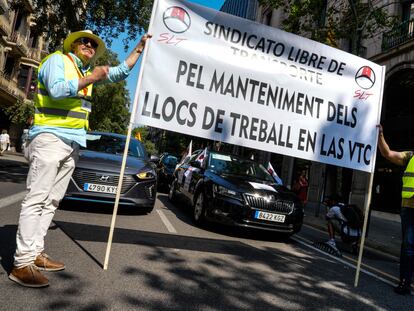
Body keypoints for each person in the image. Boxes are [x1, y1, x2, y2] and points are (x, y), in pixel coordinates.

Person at [8, 30, 151, 288]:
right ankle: (21, 263)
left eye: (93, 43)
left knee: (51, 200)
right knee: (37, 198)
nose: (88, 45)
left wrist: (139, 49)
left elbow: (119, 73)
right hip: (50, 138)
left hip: (71, 144)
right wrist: (91, 77)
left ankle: (36, 253)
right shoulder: (58, 60)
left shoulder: (84, 72)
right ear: (72, 44)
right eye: (84, 41)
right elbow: (56, 90)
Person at [377, 124, 414, 295]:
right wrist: (380, 136)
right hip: (409, 209)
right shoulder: (410, 156)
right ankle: (405, 281)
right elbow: (387, 153)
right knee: (408, 245)